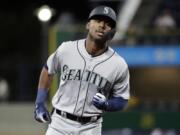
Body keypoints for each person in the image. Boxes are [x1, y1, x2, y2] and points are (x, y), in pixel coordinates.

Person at [34, 5, 130, 135]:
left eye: (108, 24)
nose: (102, 25)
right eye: (97, 20)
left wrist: (107, 104)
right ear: (88, 25)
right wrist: (39, 103)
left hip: (91, 127)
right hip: (59, 123)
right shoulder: (67, 49)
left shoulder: (118, 64)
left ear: (112, 32)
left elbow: (122, 100)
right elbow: (47, 70)